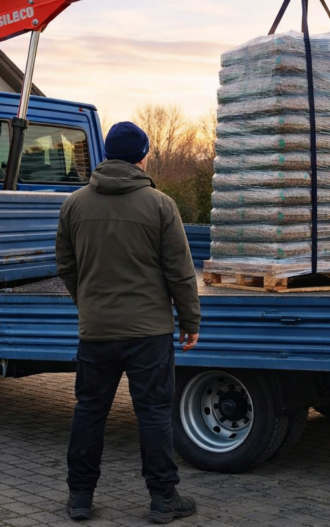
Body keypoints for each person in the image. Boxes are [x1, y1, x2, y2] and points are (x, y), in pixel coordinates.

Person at [55, 121, 201, 523]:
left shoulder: (75, 204)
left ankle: (80, 498)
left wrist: (86, 301)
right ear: (142, 155)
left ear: (105, 153)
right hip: (148, 333)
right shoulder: (159, 204)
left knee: (89, 411)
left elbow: (66, 265)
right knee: (153, 413)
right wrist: (189, 319)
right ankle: (163, 499)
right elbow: (179, 271)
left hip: (96, 330)